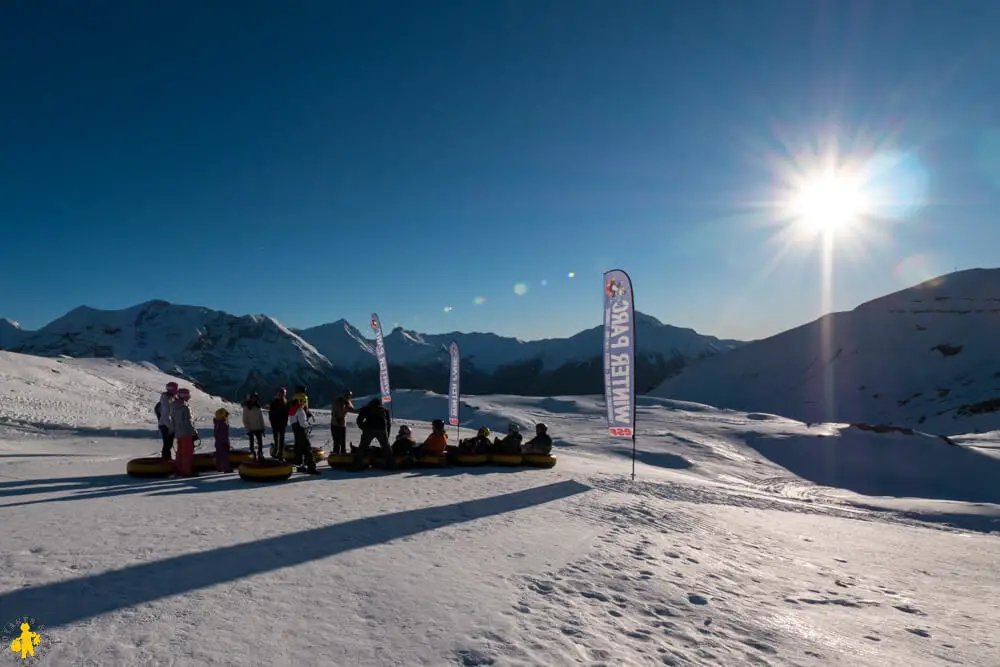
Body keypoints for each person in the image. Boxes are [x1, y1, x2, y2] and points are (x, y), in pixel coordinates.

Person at [353, 397, 392, 469]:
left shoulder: (367, 408)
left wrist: (363, 428)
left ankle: (358, 465)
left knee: (363, 447)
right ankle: (391, 464)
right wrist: (387, 433)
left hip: (369, 428)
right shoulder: (384, 409)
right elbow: (388, 423)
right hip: (382, 429)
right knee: (386, 447)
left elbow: (359, 419)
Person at [170, 387, 198, 476]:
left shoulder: (174, 406)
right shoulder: (185, 407)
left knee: (180, 452)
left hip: (178, 433)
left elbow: (173, 420)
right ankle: (186, 471)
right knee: (187, 452)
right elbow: (188, 422)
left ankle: (179, 470)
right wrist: (194, 433)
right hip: (186, 433)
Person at [289, 397, 319, 474]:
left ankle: (300, 467)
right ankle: (311, 468)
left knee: (299, 450)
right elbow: (303, 424)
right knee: (308, 450)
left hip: (296, 434)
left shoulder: (292, 411)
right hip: (302, 433)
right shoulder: (300, 410)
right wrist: (308, 425)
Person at [155, 382, 178, 460]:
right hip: (166, 425)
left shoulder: (168, 398)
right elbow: (165, 416)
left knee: (168, 443)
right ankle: (166, 460)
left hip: (164, 425)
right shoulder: (167, 400)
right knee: (168, 444)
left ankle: (167, 459)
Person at [242, 392, 267, 461]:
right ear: (251, 398)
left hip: (259, 427)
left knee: (260, 443)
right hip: (251, 428)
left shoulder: (257, 406)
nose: (255, 399)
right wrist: (248, 429)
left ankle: (260, 454)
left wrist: (263, 427)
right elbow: (245, 419)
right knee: (252, 444)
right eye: (253, 398)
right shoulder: (246, 407)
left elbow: (260, 418)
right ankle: (252, 455)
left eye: (256, 398)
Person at [331, 389, 356, 455]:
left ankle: (343, 453)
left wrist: (360, 410)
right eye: (348, 396)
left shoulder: (347, 402)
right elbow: (334, 412)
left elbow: (352, 409)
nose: (349, 397)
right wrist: (337, 418)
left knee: (342, 441)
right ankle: (336, 454)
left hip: (342, 425)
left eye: (349, 396)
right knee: (337, 441)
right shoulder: (337, 401)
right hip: (335, 424)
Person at [268, 388, 288, 457]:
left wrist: (284, 423)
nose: (280, 396)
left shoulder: (285, 403)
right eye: (279, 394)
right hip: (276, 425)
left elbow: (286, 415)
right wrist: (273, 423)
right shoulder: (274, 403)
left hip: (281, 425)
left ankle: (280, 454)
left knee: (281, 440)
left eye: (281, 394)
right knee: (277, 440)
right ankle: (276, 453)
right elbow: (270, 415)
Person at [213, 408, 232, 473]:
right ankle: (226, 468)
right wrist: (226, 442)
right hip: (223, 441)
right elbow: (222, 433)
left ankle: (219, 468)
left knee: (219, 454)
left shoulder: (218, 422)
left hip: (219, 441)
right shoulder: (222, 422)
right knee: (224, 455)